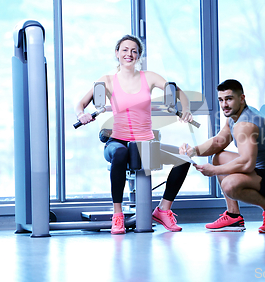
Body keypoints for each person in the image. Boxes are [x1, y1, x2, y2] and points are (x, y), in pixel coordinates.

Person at [75, 35, 193, 234]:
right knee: (120, 154)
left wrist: (186, 108)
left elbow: (177, 90)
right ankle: (117, 215)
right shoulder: (108, 81)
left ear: (139, 55)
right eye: (124, 50)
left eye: (134, 51)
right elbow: (81, 104)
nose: (129, 54)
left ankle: (163, 210)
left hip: (145, 142)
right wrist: (82, 114)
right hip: (117, 142)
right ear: (117, 53)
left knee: (184, 158)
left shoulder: (150, 77)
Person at [180, 79, 265, 233]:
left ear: (241, 98)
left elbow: (247, 164)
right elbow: (219, 142)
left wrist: (213, 171)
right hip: (262, 171)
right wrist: (193, 151)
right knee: (218, 157)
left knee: (229, 185)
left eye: (229, 99)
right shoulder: (235, 118)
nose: (224, 105)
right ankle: (233, 216)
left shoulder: (245, 125)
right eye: (221, 100)